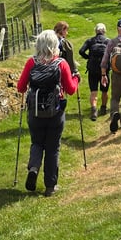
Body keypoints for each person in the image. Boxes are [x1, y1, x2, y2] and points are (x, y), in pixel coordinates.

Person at [16, 29, 80, 197]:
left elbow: (21, 87)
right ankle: (50, 186)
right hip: (55, 112)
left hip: (35, 112)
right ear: (55, 45)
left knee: (37, 142)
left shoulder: (31, 62)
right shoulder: (61, 63)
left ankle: (34, 168)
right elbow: (71, 90)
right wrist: (76, 78)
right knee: (53, 147)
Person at [78, 22, 111, 120]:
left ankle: (94, 111)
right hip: (104, 69)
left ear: (95, 31)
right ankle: (103, 108)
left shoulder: (90, 41)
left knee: (93, 91)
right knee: (104, 90)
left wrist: (89, 57)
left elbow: (81, 51)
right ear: (104, 31)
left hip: (92, 69)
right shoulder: (108, 41)